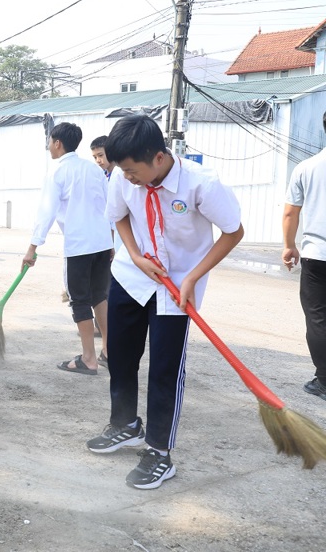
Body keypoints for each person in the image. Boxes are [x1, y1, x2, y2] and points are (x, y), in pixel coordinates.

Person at [86, 115, 243, 490]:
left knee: (165, 371)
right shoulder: (123, 178)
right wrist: (136, 254)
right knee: (120, 355)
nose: (127, 177)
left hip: (177, 288)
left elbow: (233, 232)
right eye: (120, 170)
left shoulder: (202, 184)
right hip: (131, 275)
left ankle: (159, 451)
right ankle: (125, 424)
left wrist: (192, 276)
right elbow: (118, 217)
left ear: (158, 157)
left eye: (131, 170)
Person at [23, 122, 113, 375]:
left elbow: (46, 211)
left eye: (50, 142)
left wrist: (32, 248)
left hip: (80, 246)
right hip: (102, 244)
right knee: (100, 296)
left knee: (80, 300)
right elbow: (108, 205)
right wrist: (111, 241)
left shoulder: (57, 172)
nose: (49, 147)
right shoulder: (94, 170)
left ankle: (88, 359)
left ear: (58, 143)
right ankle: (109, 351)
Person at [282, 110, 326, 401]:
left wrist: (289, 245)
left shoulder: (307, 167)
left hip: (317, 255)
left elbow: (290, 212)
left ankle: (324, 380)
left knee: (318, 318)